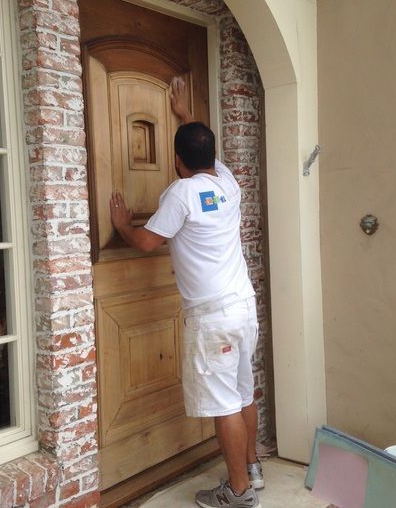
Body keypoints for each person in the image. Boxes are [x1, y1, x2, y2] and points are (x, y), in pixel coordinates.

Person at [109, 77, 263, 508]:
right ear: (211, 155)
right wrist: (184, 115)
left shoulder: (182, 192)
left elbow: (145, 242)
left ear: (177, 160)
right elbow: (202, 148)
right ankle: (251, 469)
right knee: (242, 393)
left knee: (224, 405)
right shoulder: (227, 183)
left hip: (212, 316)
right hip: (242, 307)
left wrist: (122, 225)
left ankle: (238, 494)